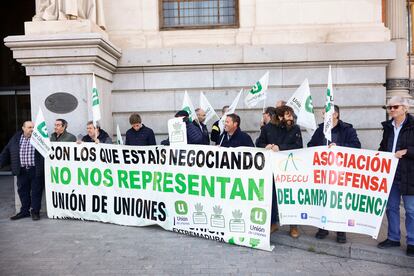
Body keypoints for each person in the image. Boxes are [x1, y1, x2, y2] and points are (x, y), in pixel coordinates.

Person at [307, 105, 361, 244]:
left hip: (341, 173)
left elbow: (356, 146)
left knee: (339, 201)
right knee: (323, 199)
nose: (323, 116)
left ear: (335, 114)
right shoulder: (320, 130)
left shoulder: (348, 129)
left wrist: (339, 147)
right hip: (323, 172)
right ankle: (323, 227)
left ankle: (340, 230)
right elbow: (310, 145)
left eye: (325, 113)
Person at [256, 105, 303, 237]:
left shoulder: (295, 128)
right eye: (288, 115)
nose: (291, 117)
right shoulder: (267, 128)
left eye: (291, 115)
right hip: (271, 168)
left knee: (290, 197)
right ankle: (273, 223)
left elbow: (298, 146)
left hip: (289, 168)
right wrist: (266, 146)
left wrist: (280, 147)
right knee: (271, 196)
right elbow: (258, 144)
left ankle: (293, 226)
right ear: (280, 116)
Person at [377, 96, 414, 257]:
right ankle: (393, 237)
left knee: (411, 210)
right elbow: (383, 146)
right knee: (390, 207)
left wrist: (407, 152)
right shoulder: (388, 127)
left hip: (409, 174)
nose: (391, 110)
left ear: (405, 108)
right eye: (389, 107)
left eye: (395, 107)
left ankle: (412, 242)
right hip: (390, 174)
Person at [0, 121, 44, 220]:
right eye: (29, 127)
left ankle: (35, 212)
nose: (32, 129)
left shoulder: (39, 138)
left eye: (33, 127)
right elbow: (6, 152)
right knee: (23, 192)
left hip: (35, 170)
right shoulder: (16, 138)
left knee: (36, 192)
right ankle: (24, 212)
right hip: (21, 170)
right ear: (23, 128)